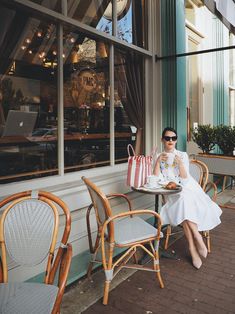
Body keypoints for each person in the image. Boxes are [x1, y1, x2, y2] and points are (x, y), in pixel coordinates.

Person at [153, 127, 222, 269]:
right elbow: (156, 179)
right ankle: (197, 238)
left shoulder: (182, 155)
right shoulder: (160, 156)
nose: (170, 141)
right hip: (171, 193)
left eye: (173, 138)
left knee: (183, 201)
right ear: (162, 140)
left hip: (189, 190)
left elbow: (184, 180)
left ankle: (192, 247)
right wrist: (158, 160)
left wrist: (179, 163)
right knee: (182, 203)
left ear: (176, 140)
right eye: (167, 138)